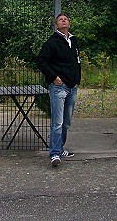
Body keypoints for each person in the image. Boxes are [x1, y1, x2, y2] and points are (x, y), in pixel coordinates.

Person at [37, 13, 81, 167]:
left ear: (69, 23)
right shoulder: (52, 42)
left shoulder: (73, 41)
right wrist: (54, 77)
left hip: (72, 87)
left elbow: (76, 61)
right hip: (59, 87)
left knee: (66, 122)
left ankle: (60, 147)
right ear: (56, 25)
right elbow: (41, 61)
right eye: (60, 19)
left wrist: (77, 80)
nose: (64, 21)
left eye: (66, 19)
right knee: (58, 121)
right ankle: (54, 154)